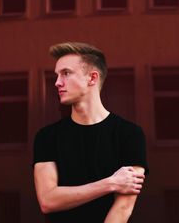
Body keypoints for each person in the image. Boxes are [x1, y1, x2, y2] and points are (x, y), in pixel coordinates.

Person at [33, 42, 149, 222]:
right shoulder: (47, 137)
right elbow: (48, 201)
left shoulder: (130, 134)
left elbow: (123, 208)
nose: (57, 82)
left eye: (66, 73)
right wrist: (110, 183)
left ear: (92, 78)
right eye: (57, 75)